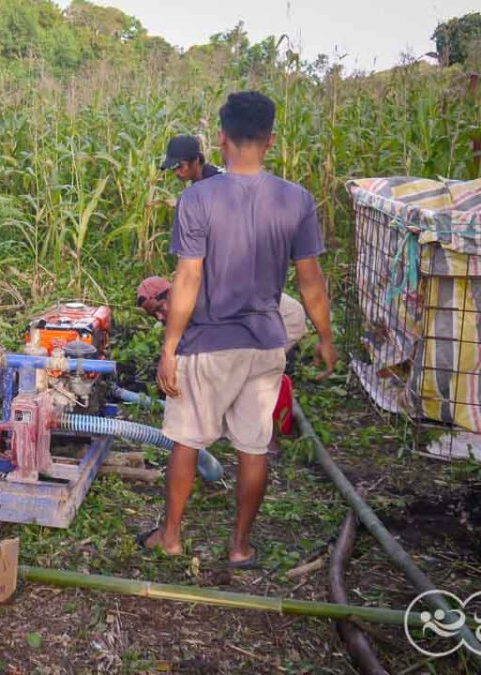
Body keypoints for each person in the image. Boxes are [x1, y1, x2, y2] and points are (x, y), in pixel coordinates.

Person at [137, 92, 335, 568]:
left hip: (206, 343)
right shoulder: (296, 200)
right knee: (253, 446)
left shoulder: (197, 198)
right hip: (264, 345)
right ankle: (241, 545)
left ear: (221, 138)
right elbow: (311, 283)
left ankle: (171, 536)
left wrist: (169, 347)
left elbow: (187, 279)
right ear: (270, 140)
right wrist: (326, 338)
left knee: (186, 440)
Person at [137, 276, 308, 356]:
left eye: (159, 309)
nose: (159, 318)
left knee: (251, 370)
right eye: (154, 315)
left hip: (284, 317)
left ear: (169, 294)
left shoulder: (197, 299)